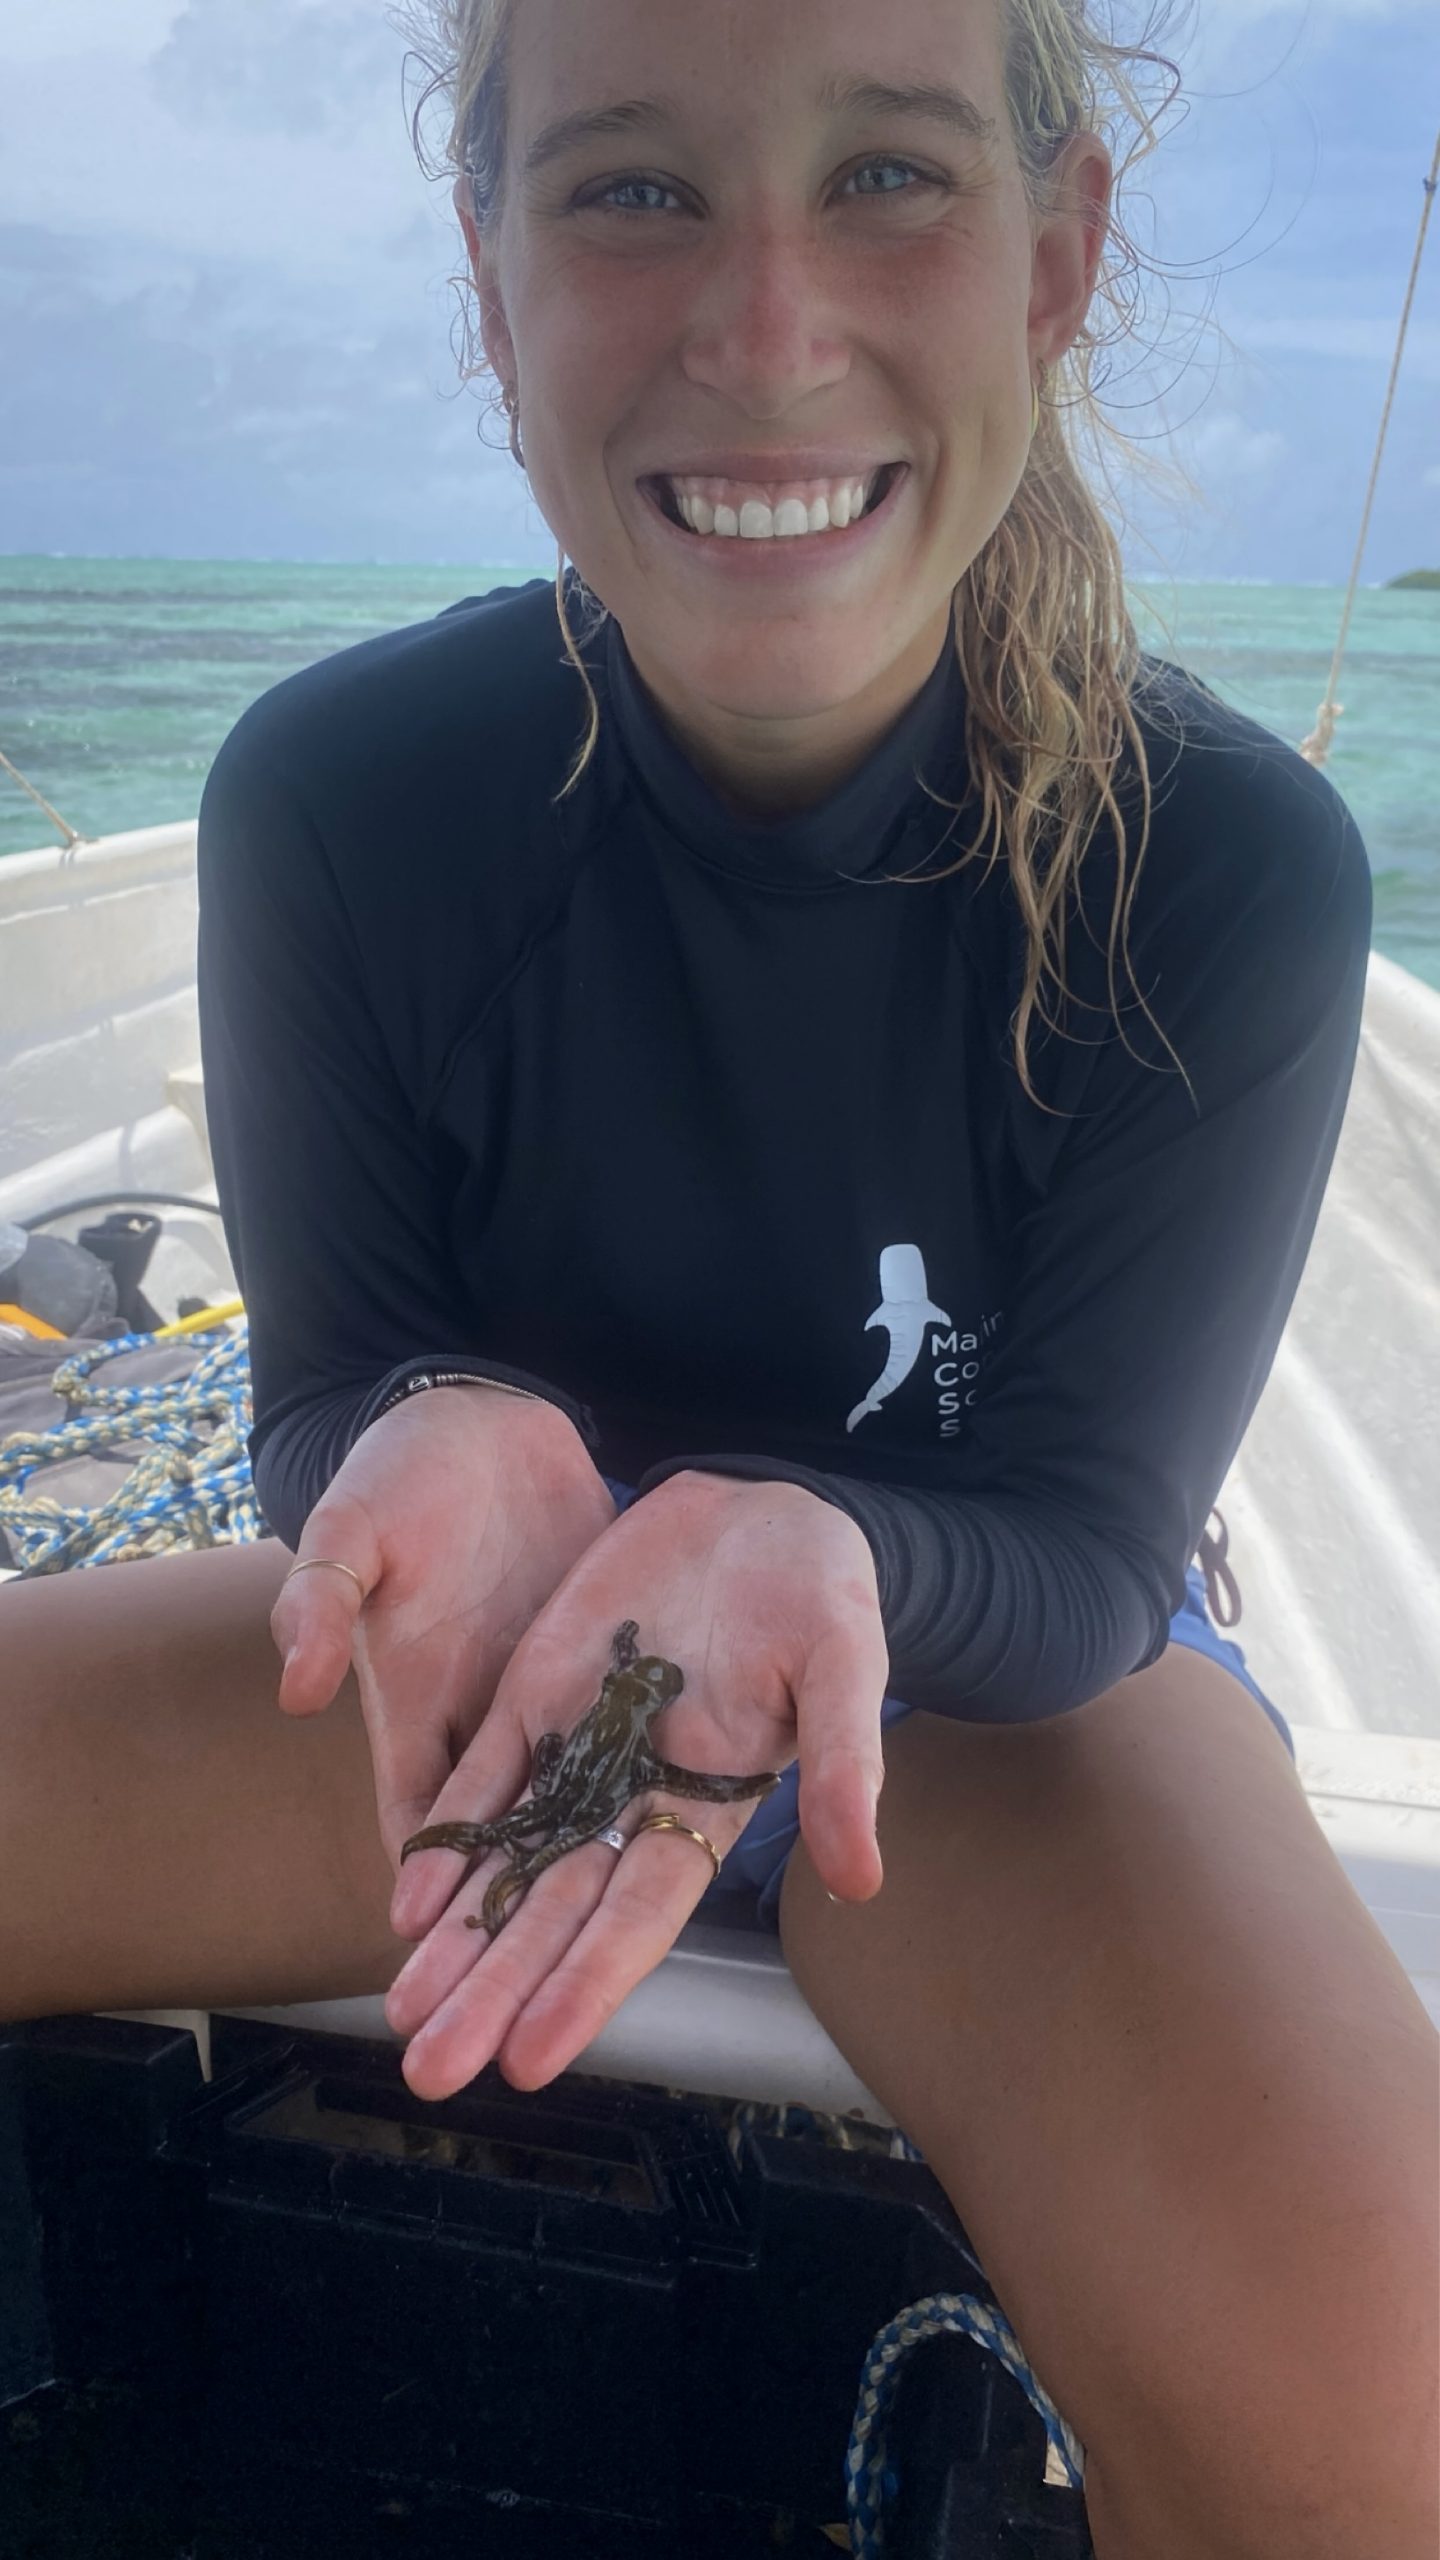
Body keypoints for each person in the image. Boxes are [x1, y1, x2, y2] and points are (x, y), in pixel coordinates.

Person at [3, 0, 1436, 2549]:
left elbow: (1094, 1543)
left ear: (1059, 249)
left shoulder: (1229, 869)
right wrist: (428, 1430)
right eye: (633, 192)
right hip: (480, 1677)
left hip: (1000, 1711)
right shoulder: (338, 802)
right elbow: (326, 1399)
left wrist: (833, 1555)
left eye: (887, 175)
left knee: (1379, 2439)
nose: (767, 333)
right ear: (488, 273)